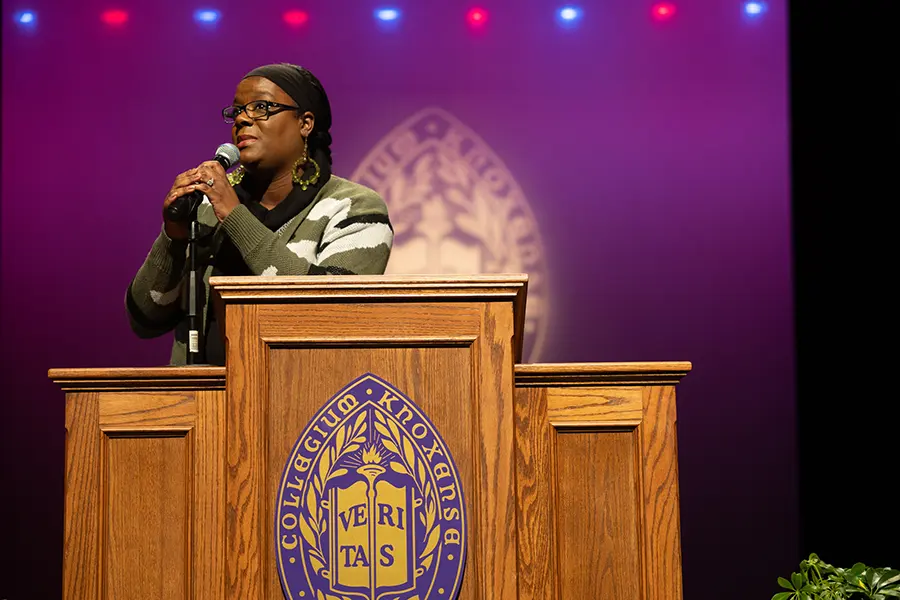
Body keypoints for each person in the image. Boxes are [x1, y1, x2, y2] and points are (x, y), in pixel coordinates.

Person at [125, 63, 393, 366]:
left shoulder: (355, 207)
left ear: (305, 123)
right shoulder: (206, 207)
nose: (241, 118)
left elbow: (330, 314)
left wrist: (236, 217)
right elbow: (145, 318)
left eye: (261, 107)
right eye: (237, 110)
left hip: (299, 400)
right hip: (201, 401)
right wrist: (173, 237)